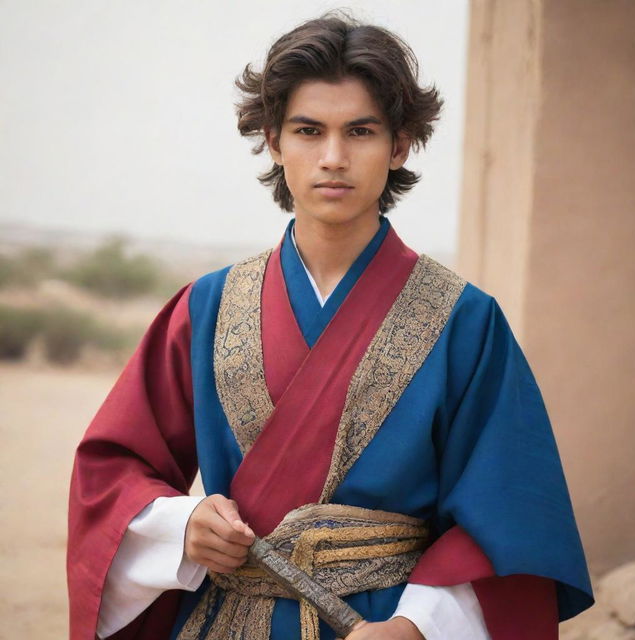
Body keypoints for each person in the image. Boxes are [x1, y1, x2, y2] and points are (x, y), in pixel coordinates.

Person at [67, 12, 594, 640]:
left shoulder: (465, 322)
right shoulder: (206, 307)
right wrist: (182, 525)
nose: (334, 158)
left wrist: (417, 626)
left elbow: (509, 514)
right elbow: (112, 471)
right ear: (273, 140)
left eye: (361, 131)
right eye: (309, 131)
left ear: (399, 145)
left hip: (382, 625)